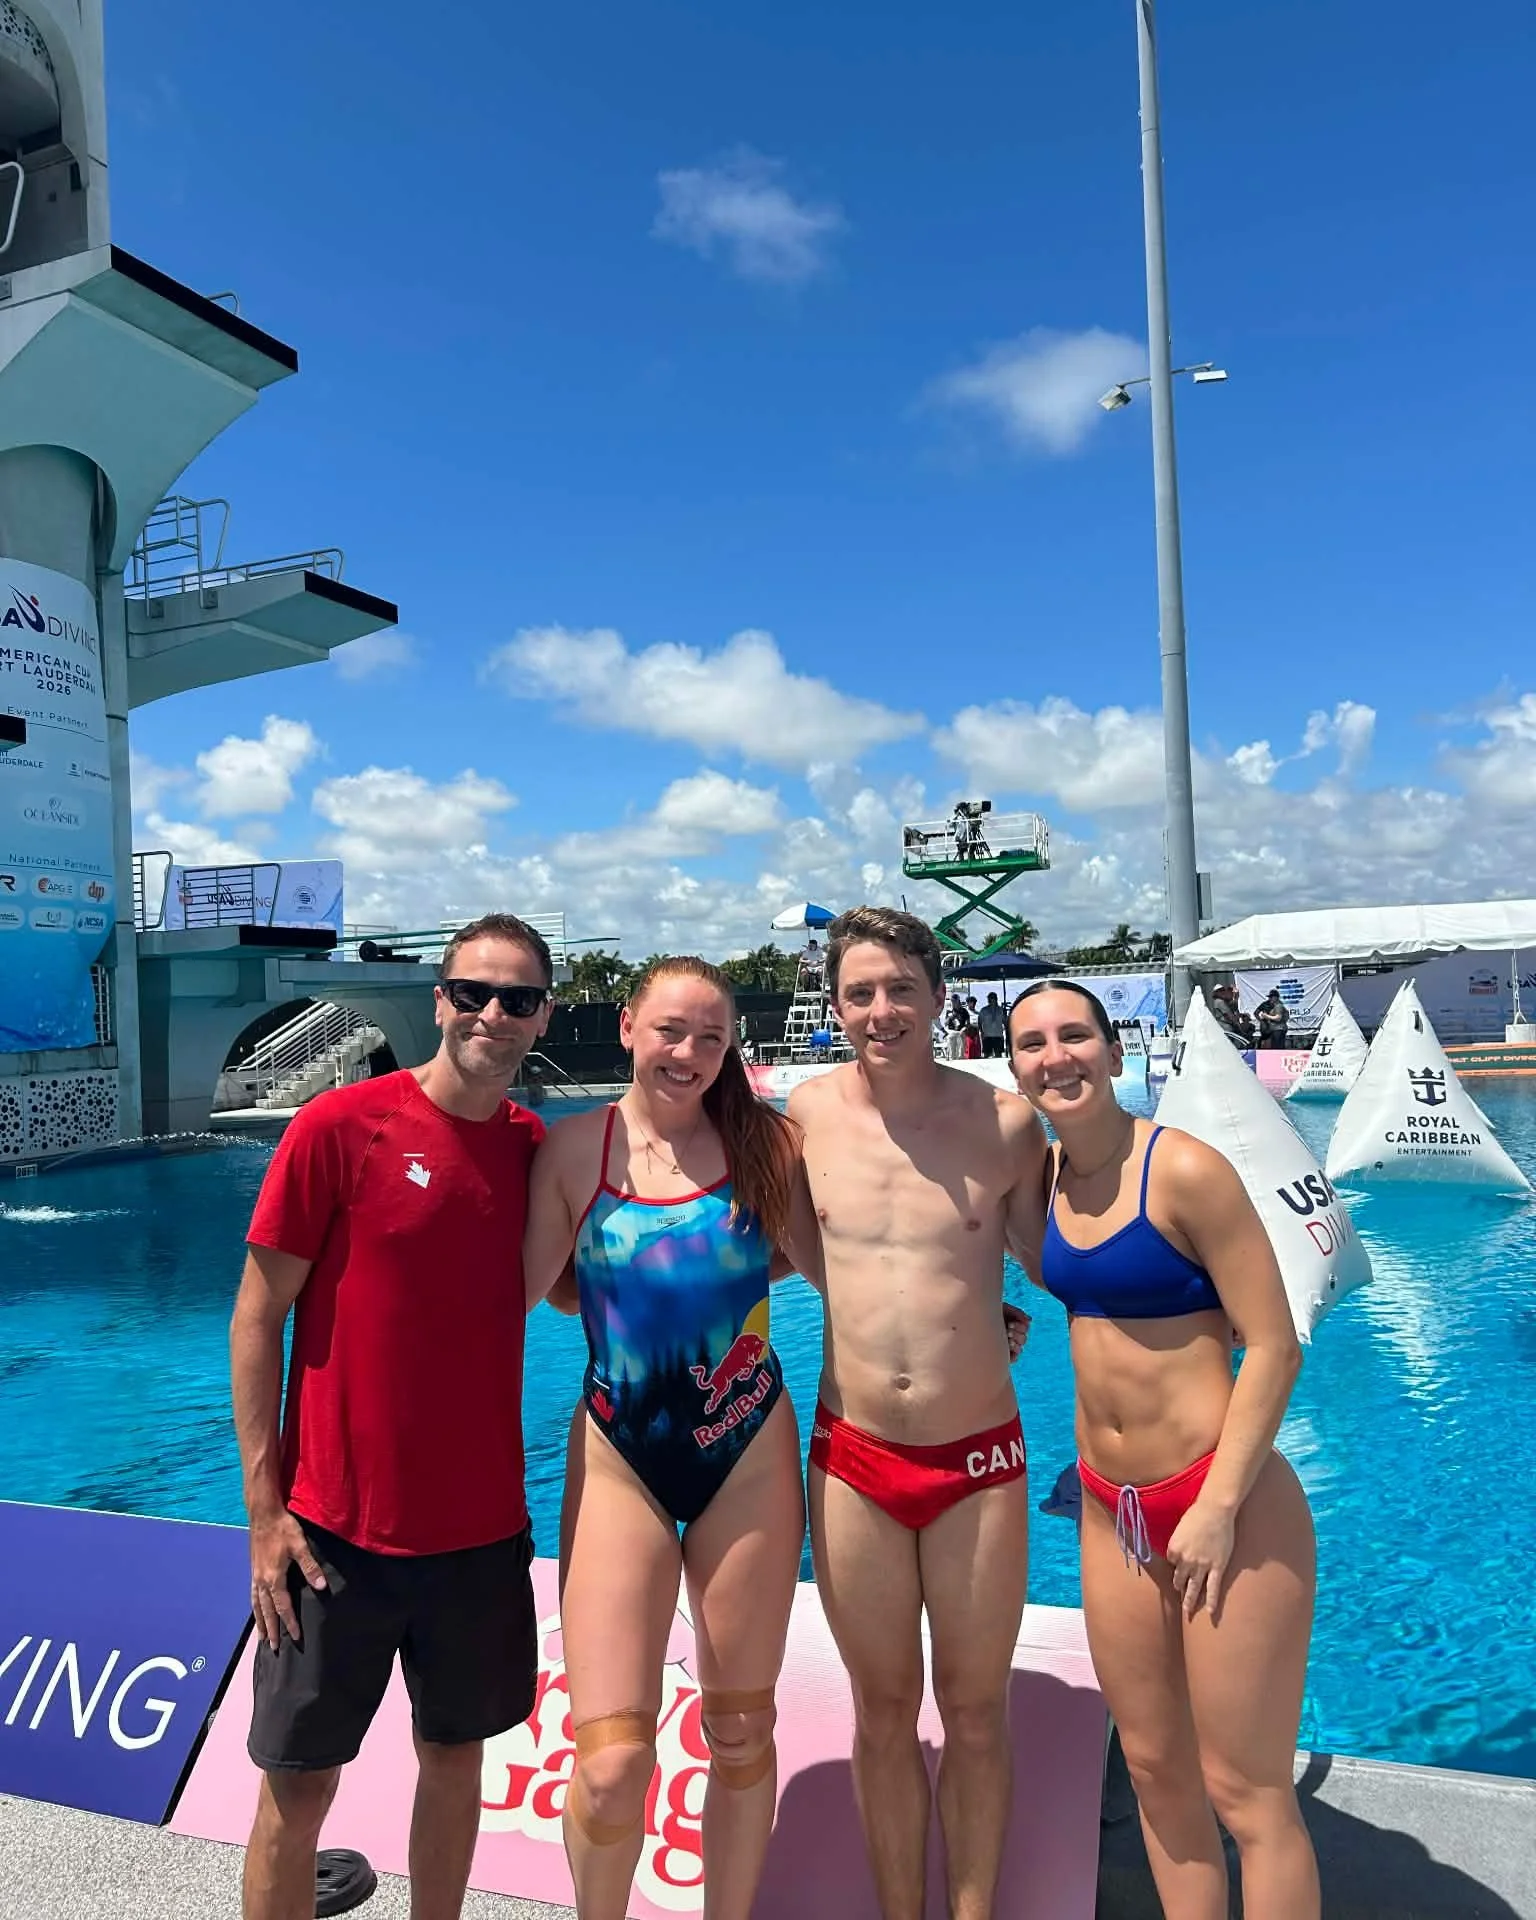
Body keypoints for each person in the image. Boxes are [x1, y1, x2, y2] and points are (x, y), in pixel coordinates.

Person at [230, 912, 555, 1920]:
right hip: (333, 1535)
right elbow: (256, 1315)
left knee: (454, 1761)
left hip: (480, 1536)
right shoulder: (339, 1128)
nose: (491, 1015)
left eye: (516, 998)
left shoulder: (535, 1149)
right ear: (439, 1001)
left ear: (543, 1016)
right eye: (472, 993)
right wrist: (266, 1509)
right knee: (299, 1785)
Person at [1007, 980, 1319, 1920]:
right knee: (1154, 1771)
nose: (1055, 1057)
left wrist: (1219, 1510)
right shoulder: (1045, 1183)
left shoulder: (1183, 1169)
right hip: (1112, 1507)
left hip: (1226, 1497)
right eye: (1032, 1044)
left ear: (1113, 1048)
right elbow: (1026, 1271)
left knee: (1246, 1791)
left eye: (1074, 1036)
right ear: (1014, 1064)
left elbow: (1273, 1342)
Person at [523, 956, 812, 1920]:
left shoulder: (768, 1147)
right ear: (626, 1028)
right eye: (669, 1031)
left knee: (740, 1735)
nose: (687, 1053)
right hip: (621, 1458)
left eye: (710, 1037)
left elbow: (851, 1261)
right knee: (609, 1766)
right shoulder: (575, 1152)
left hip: (748, 1451)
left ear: (731, 1047)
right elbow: (526, 1293)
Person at [787, 907, 1047, 1920]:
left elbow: (1060, 1256)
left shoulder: (1007, 1125)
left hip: (980, 1462)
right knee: (884, 1711)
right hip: (853, 1457)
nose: (881, 1011)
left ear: (940, 997)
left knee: (976, 1715)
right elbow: (806, 1250)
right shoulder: (804, 1117)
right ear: (838, 1004)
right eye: (860, 993)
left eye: (900, 989)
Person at [1209, 983, 1255, 1050]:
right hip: (1226, 1028)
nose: (1223, 992)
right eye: (1220, 990)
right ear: (1216, 993)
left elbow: (1233, 1006)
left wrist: (1235, 995)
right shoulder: (1219, 1002)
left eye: (1223, 990)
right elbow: (1228, 1015)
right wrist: (1237, 1023)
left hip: (1228, 1027)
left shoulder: (1223, 1001)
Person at [977, 991, 1007, 1059]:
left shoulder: (1001, 1010)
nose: (991, 1000)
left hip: (998, 1036)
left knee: (998, 1055)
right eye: (990, 998)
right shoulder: (984, 1010)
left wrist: (1006, 1034)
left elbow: (1005, 1022)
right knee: (986, 1056)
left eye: (993, 998)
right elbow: (979, 1022)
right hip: (987, 1036)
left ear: (996, 999)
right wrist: (982, 1032)